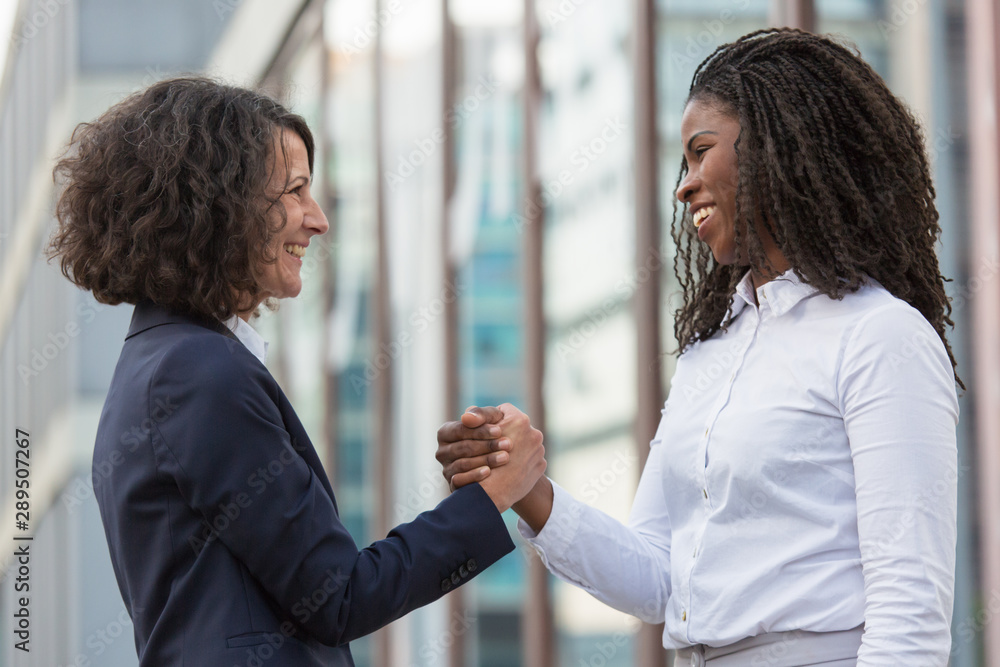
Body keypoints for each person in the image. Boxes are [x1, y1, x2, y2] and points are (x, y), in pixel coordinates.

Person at [437, 29, 961, 667]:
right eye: (682, 165)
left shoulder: (881, 337)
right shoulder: (711, 353)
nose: (684, 187)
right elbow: (660, 577)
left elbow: (909, 614)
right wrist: (528, 488)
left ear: (778, 147)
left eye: (700, 152)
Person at [47, 76, 545, 666]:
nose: (318, 219)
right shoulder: (199, 374)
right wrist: (493, 497)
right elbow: (338, 596)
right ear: (218, 203)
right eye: (297, 190)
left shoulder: (163, 362)